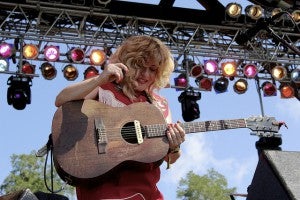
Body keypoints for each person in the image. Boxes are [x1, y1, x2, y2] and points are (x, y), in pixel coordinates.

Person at [55, 35, 186, 200]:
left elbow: (169, 158)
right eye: (139, 65)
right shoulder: (104, 87)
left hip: (147, 191)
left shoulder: (160, 105)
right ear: (127, 62)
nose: (145, 74)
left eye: (153, 69)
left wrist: (175, 147)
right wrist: (100, 78)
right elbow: (61, 100)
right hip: (103, 189)